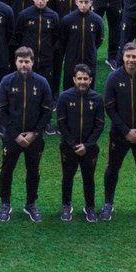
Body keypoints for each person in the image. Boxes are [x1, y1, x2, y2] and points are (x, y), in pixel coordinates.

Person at [0, 46, 52, 223]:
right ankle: (5, 204)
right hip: (12, 137)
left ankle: (30, 204)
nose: (24, 65)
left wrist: (34, 133)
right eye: (21, 61)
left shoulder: (42, 83)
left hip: (34, 139)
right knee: (6, 171)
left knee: (33, 171)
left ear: (32, 62)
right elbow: (1, 110)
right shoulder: (7, 81)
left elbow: (47, 111)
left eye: (27, 61)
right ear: (16, 62)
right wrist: (16, 135)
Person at [102, 41, 136, 222]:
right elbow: (109, 107)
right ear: (123, 57)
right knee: (112, 168)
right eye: (128, 56)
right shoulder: (113, 78)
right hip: (119, 135)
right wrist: (126, 131)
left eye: (134, 56)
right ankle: (108, 203)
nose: (131, 60)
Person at [55, 63, 106, 223]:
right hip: (68, 147)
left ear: (90, 80)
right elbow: (61, 123)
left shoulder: (97, 99)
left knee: (88, 177)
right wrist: (73, 144)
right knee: (67, 177)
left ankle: (89, 207)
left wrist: (87, 145)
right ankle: (66, 205)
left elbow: (100, 125)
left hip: (89, 148)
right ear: (74, 79)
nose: (82, 81)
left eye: (85, 78)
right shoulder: (64, 97)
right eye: (79, 78)